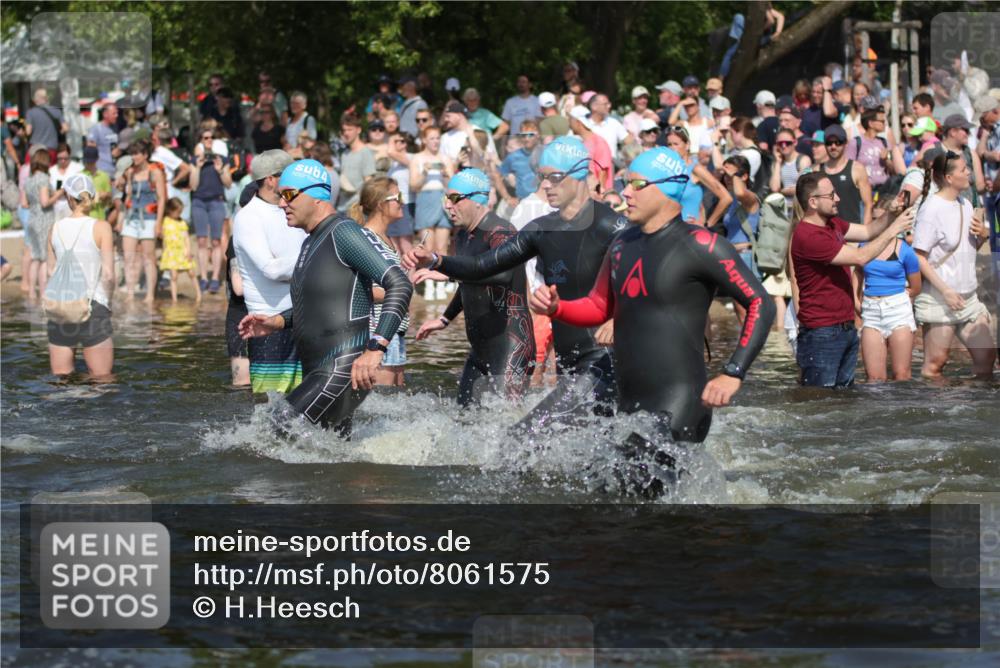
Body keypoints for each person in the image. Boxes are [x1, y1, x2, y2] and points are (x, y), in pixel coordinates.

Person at [528, 147, 775, 497]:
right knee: (607, 499)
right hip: (631, 406)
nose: (626, 192)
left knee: (620, 503)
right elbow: (598, 306)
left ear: (669, 188)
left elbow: (760, 303)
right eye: (626, 183)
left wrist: (733, 372)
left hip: (680, 403)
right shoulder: (621, 243)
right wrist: (557, 308)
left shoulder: (702, 244)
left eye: (637, 184)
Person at [403, 136, 623, 437]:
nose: (546, 185)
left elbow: (647, 284)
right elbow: (484, 266)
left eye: (555, 177)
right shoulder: (540, 229)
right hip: (569, 363)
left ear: (582, 174)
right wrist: (436, 260)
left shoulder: (614, 226)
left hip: (605, 358)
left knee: (521, 439)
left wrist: (617, 316)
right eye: (542, 177)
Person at [237, 160, 414, 436]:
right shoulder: (310, 241)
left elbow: (399, 285)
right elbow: (322, 306)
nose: (282, 204)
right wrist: (277, 322)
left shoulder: (343, 232)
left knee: (271, 435)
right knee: (327, 464)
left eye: (288, 195)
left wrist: (375, 349)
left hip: (344, 369)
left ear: (316, 195)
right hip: (321, 370)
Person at [413, 169, 534, 404]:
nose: (448, 206)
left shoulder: (501, 232)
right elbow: (470, 280)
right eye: (446, 199)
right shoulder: (463, 236)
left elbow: (502, 274)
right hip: (480, 348)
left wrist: (444, 268)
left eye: (455, 198)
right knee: (464, 419)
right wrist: (445, 319)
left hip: (511, 344)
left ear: (479, 199)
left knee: (506, 423)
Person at [790, 171, 915, 387]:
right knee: (817, 402)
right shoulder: (809, 235)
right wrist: (894, 229)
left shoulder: (832, 224)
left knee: (842, 403)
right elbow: (861, 256)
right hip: (821, 332)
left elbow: (867, 231)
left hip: (844, 328)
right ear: (813, 202)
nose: (837, 198)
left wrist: (890, 214)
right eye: (831, 196)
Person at [911, 151, 995, 379]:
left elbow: (966, 250)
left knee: (987, 358)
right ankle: (939, 411)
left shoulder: (965, 204)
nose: (968, 172)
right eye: (963, 169)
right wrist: (945, 291)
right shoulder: (931, 209)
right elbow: (918, 257)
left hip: (968, 297)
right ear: (948, 178)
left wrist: (982, 236)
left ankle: (969, 407)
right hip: (940, 298)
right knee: (935, 364)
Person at [232, 150, 305, 393]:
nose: (295, 181)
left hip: (303, 317)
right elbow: (271, 269)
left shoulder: (294, 210)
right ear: (271, 180)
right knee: (270, 411)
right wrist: (313, 261)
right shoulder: (248, 217)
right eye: (288, 174)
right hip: (268, 322)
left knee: (307, 406)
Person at [45, 174, 114, 378]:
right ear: (91, 196)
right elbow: (108, 275)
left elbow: (50, 272)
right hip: (93, 304)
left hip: (61, 306)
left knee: (61, 378)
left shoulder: (54, 229)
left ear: (68, 197)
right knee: (102, 379)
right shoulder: (101, 227)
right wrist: (108, 304)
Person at [349, 177, 411, 387]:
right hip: (378, 332)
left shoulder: (386, 238)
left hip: (395, 330)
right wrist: (400, 293)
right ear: (380, 204)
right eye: (398, 197)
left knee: (398, 399)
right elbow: (361, 290)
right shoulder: (366, 239)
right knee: (383, 403)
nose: (403, 201)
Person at [854, 208, 921, 381]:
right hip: (871, 310)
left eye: (886, 218)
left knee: (901, 375)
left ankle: (901, 408)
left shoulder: (905, 251)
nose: (880, 223)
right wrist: (855, 300)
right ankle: (877, 409)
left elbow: (916, 287)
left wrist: (899, 299)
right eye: (876, 219)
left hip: (897, 310)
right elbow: (858, 273)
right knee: (874, 379)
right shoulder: (864, 247)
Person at [409, 124, 455, 300]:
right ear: (424, 141)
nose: (435, 141)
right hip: (425, 200)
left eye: (437, 138)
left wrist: (445, 174)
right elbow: (413, 185)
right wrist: (425, 172)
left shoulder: (446, 158)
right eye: (432, 138)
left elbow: (452, 185)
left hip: (442, 199)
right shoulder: (417, 158)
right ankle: (428, 283)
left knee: (442, 246)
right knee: (427, 246)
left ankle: (441, 282)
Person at [121, 140, 166, 303]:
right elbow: (127, 195)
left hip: (149, 218)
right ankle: (130, 293)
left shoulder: (155, 173)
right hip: (131, 217)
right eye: (132, 154)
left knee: (149, 257)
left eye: (136, 154)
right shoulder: (130, 172)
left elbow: (161, 199)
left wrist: (159, 223)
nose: (133, 157)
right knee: (128, 256)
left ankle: (150, 295)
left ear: (145, 155)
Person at [189, 127, 232, 293]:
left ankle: (214, 277)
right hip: (199, 201)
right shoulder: (195, 159)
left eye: (211, 137)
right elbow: (193, 185)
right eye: (205, 137)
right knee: (201, 240)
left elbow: (228, 183)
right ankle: (203, 277)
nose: (208, 140)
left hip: (216, 201)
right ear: (200, 140)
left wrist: (220, 170)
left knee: (216, 240)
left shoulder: (222, 159)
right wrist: (198, 167)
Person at [663, 126, 731, 227]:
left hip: (691, 234)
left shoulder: (695, 169)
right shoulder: (669, 170)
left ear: (687, 145)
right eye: (669, 144)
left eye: (676, 144)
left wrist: (707, 224)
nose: (672, 148)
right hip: (671, 232)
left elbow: (726, 198)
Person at [23, 149, 61, 297]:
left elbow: (25, 203)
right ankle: (44, 294)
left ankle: (32, 292)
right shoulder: (44, 178)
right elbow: (45, 202)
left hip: (32, 219)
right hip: (44, 220)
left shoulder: (30, 179)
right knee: (44, 259)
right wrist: (58, 194)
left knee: (35, 257)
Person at [820, 124, 872, 226]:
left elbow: (868, 204)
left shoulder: (857, 169)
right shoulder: (817, 170)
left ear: (846, 143)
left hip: (852, 233)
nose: (833, 146)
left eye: (838, 142)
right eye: (829, 143)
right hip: (827, 232)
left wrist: (864, 233)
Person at [158, 197, 201, 302]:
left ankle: (199, 295)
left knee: (191, 273)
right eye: (177, 212)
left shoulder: (182, 222)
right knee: (173, 275)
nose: (179, 214)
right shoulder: (165, 221)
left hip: (182, 251)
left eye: (180, 212)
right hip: (171, 252)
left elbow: (186, 237)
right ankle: (174, 298)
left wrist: (188, 250)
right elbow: (162, 236)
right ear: (170, 210)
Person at [335, 113, 376, 213]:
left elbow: (369, 183)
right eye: (344, 130)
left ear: (358, 130)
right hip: (341, 207)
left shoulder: (365, 152)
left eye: (350, 130)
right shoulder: (345, 153)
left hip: (356, 209)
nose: (346, 133)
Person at [770, 128, 812, 208]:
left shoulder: (803, 160)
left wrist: (781, 191)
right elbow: (774, 188)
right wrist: (778, 162)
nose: (783, 146)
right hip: (782, 210)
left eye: (787, 143)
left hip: (798, 209)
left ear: (795, 142)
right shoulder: (776, 163)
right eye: (780, 143)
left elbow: (802, 189)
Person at [25, 89, 67, 159]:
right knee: (50, 169)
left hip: (36, 149)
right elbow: (65, 128)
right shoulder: (56, 111)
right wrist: (59, 132)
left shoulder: (31, 112)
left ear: (36, 100)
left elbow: (28, 131)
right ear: (46, 98)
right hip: (51, 148)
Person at [49, 144, 82, 221]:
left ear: (69, 156)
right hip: (55, 208)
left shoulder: (78, 169)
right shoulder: (51, 171)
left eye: (65, 158)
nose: (63, 161)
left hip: (72, 206)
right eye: (60, 158)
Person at [80, 147, 112, 221]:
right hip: (84, 218)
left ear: (97, 159)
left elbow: (109, 203)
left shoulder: (104, 176)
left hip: (100, 218)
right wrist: (97, 196)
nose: (89, 164)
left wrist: (107, 196)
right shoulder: (80, 176)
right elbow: (80, 199)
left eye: (91, 161)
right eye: (87, 161)